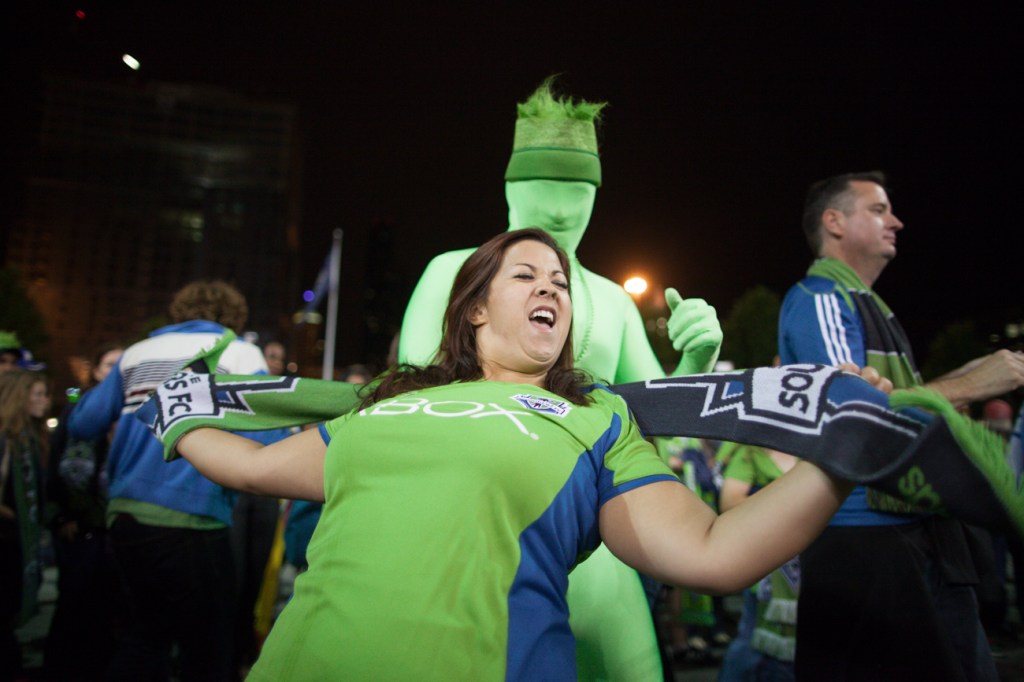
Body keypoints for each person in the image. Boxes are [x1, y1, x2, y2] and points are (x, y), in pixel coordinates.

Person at [138, 228, 894, 681]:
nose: (554, 291)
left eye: (562, 283)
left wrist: (836, 459)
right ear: (473, 308)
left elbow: (711, 551)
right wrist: (171, 413)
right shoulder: (387, 405)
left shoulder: (595, 416)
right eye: (527, 276)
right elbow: (248, 467)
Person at [398, 77, 723, 680]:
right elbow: (414, 396)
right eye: (542, 186)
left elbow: (662, 427)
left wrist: (694, 365)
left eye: (577, 190)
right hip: (467, 528)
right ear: (509, 187)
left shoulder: (612, 302)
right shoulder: (451, 272)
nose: (559, 208)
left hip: (599, 544)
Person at [778, 171, 1024, 681]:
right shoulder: (821, 297)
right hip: (866, 539)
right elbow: (857, 412)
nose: (896, 221)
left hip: (912, 531)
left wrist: (968, 374)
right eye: (878, 209)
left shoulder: (869, 307)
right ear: (835, 222)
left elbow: (898, 397)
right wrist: (970, 385)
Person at [67, 280, 279, 681]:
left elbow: (83, 422)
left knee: (144, 638)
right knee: (210, 650)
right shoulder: (239, 353)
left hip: (126, 516)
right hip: (193, 519)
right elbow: (265, 436)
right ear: (232, 316)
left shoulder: (136, 353)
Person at [44, 342, 124, 680]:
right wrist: (63, 515)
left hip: (117, 533)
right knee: (73, 607)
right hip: (79, 529)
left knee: (109, 613)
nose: (116, 373)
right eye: (109, 365)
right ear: (95, 372)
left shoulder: (133, 415)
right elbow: (62, 467)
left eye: (123, 367)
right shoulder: (80, 411)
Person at [0, 369, 49, 681]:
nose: (45, 402)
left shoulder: (27, 437)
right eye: (38, 394)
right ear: (19, 397)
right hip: (5, 541)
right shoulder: (5, 437)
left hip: (16, 541)